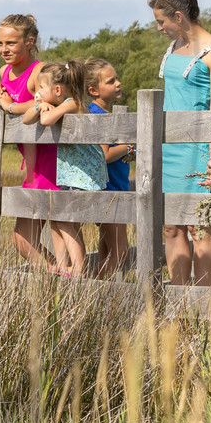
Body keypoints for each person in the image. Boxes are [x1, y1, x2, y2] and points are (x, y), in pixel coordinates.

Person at [150, 0, 211, 286]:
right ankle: (179, 303)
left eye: (162, 21)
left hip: (198, 150)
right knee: (171, 227)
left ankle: (205, 303)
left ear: (178, 17)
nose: (160, 28)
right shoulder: (174, 46)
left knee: (200, 227)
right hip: (169, 150)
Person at [0, 15, 62, 268]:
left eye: (11, 43)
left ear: (29, 42)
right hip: (31, 163)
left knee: (60, 228)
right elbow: (6, 93)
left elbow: (48, 101)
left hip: (51, 159)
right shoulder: (4, 72)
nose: (4, 49)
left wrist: (11, 106)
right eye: (0, 43)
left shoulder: (40, 71)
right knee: (22, 239)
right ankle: (57, 275)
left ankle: (68, 276)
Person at [30, 60, 106, 275]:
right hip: (72, 174)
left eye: (41, 87)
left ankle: (79, 268)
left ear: (57, 90)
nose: (37, 92)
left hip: (85, 174)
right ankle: (64, 266)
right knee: (57, 218)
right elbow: (28, 119)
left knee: (65, 219)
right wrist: (39, 106)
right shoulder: (63, 104)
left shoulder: (73, 103)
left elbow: (46, 121)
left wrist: (44, 108)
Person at [83, 59, 131, 279]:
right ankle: (90, 290)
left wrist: (126, 151)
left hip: (113, 189)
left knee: (107, 251)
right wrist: (129, 146)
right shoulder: (98, 116)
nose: (118, 83)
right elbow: (103, 155)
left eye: (117, 78)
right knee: (121, 253)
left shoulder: (103, 114)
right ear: (93, 90)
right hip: (108, 192)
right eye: (111, 81)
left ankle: (99, 294)